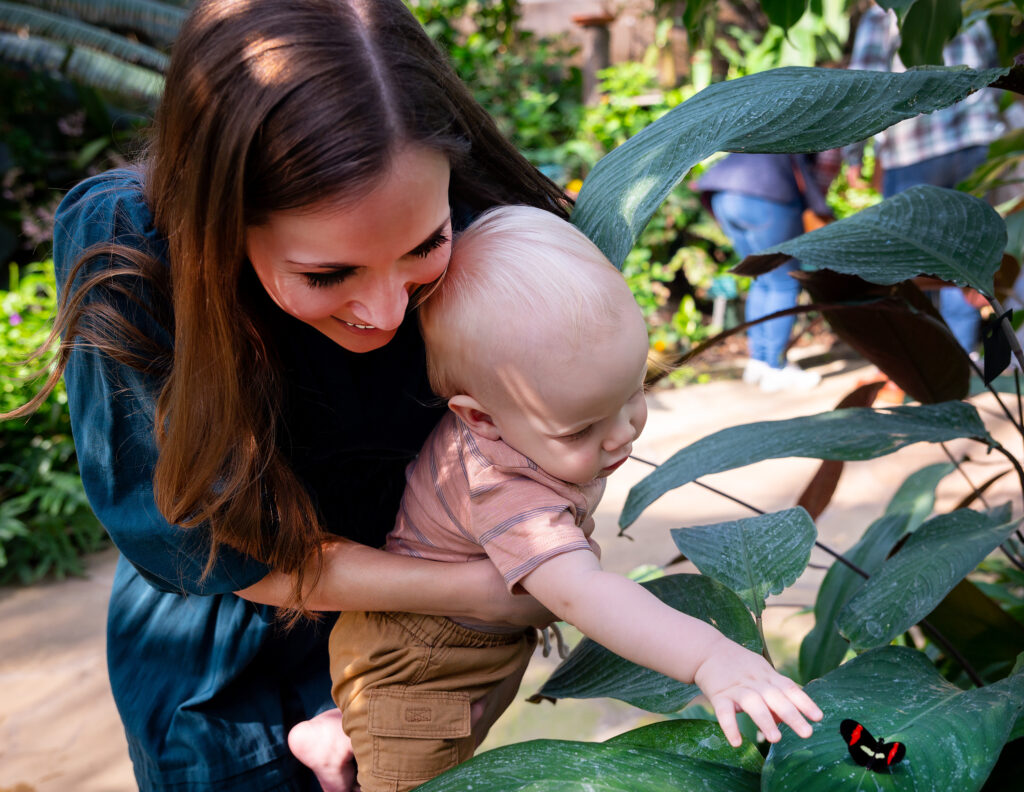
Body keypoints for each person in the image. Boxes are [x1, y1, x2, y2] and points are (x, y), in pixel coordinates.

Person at [3, 2, 576, 790]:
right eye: (326, 274)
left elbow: (570, 418)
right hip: (224, 675)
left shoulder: (490, 226)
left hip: (416, 638)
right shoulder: (130, 250)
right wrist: (493, 588)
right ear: (220, 222)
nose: (385, 314)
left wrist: (421, 648)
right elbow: (214, 545)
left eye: (423, 247)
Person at [317, 206, 823, 792]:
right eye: (580, 429)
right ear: (480, 418)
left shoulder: (523, 409)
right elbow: (588, 596)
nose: (622, 433)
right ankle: (358, 725)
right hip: (420, 671)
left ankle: (340, 729)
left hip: (472, 642)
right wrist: (710, 658)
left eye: (634, 390)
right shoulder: (502, 489)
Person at [844, 3, 1004, 354]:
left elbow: (863, 85)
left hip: (914, 149)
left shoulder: (884, 12)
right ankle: (963, 358)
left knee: (914, 261)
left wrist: (854, 155)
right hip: (978, 144)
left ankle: (932, 361)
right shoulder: (970, 4)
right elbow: (996, 68)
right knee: (967, 256)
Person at [698, 153, 835, 392]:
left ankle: (759, 361)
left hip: (723, 194)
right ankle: (776, 367)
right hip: (765, 193)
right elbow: (828, 160)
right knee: (784, 281)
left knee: (761, 278)